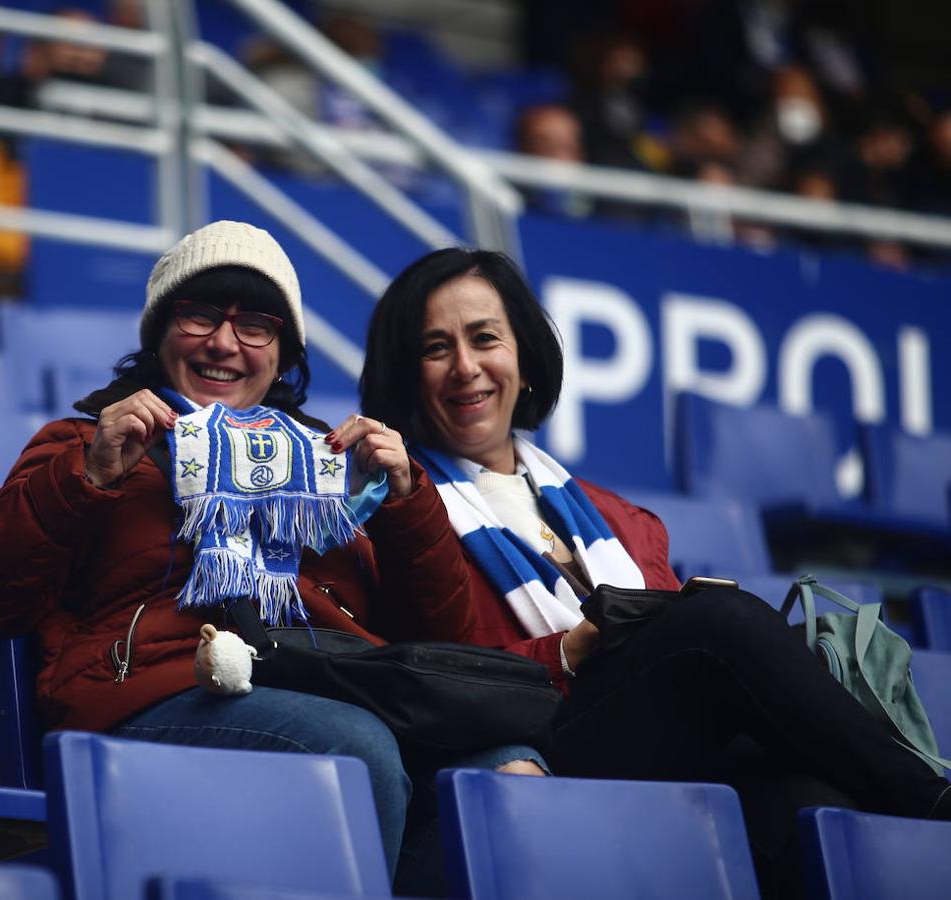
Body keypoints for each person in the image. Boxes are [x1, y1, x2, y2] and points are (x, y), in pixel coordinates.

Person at [0, 221, 545, 879]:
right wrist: (87, 476)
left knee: (506, 771)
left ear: (282, 354)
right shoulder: (87, 444)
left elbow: (441, 645)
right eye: (199, 314)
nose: (225, 342)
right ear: (159, 334)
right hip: (154, 694)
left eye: (256, 325)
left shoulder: (328, 469)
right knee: (354, 747)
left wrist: (406, 505)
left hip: (331, 684)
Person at [358, 246, 951, 896]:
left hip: (660, 745)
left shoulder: (620, 518)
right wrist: (571, 650)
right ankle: (929, 798)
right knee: (716, 623)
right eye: (437, 348)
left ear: (524, 360)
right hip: (534, 744)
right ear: (408, 377)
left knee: (806, 798)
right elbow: (438, 674)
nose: (466, 367)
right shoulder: (399, 510)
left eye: (484, 339)